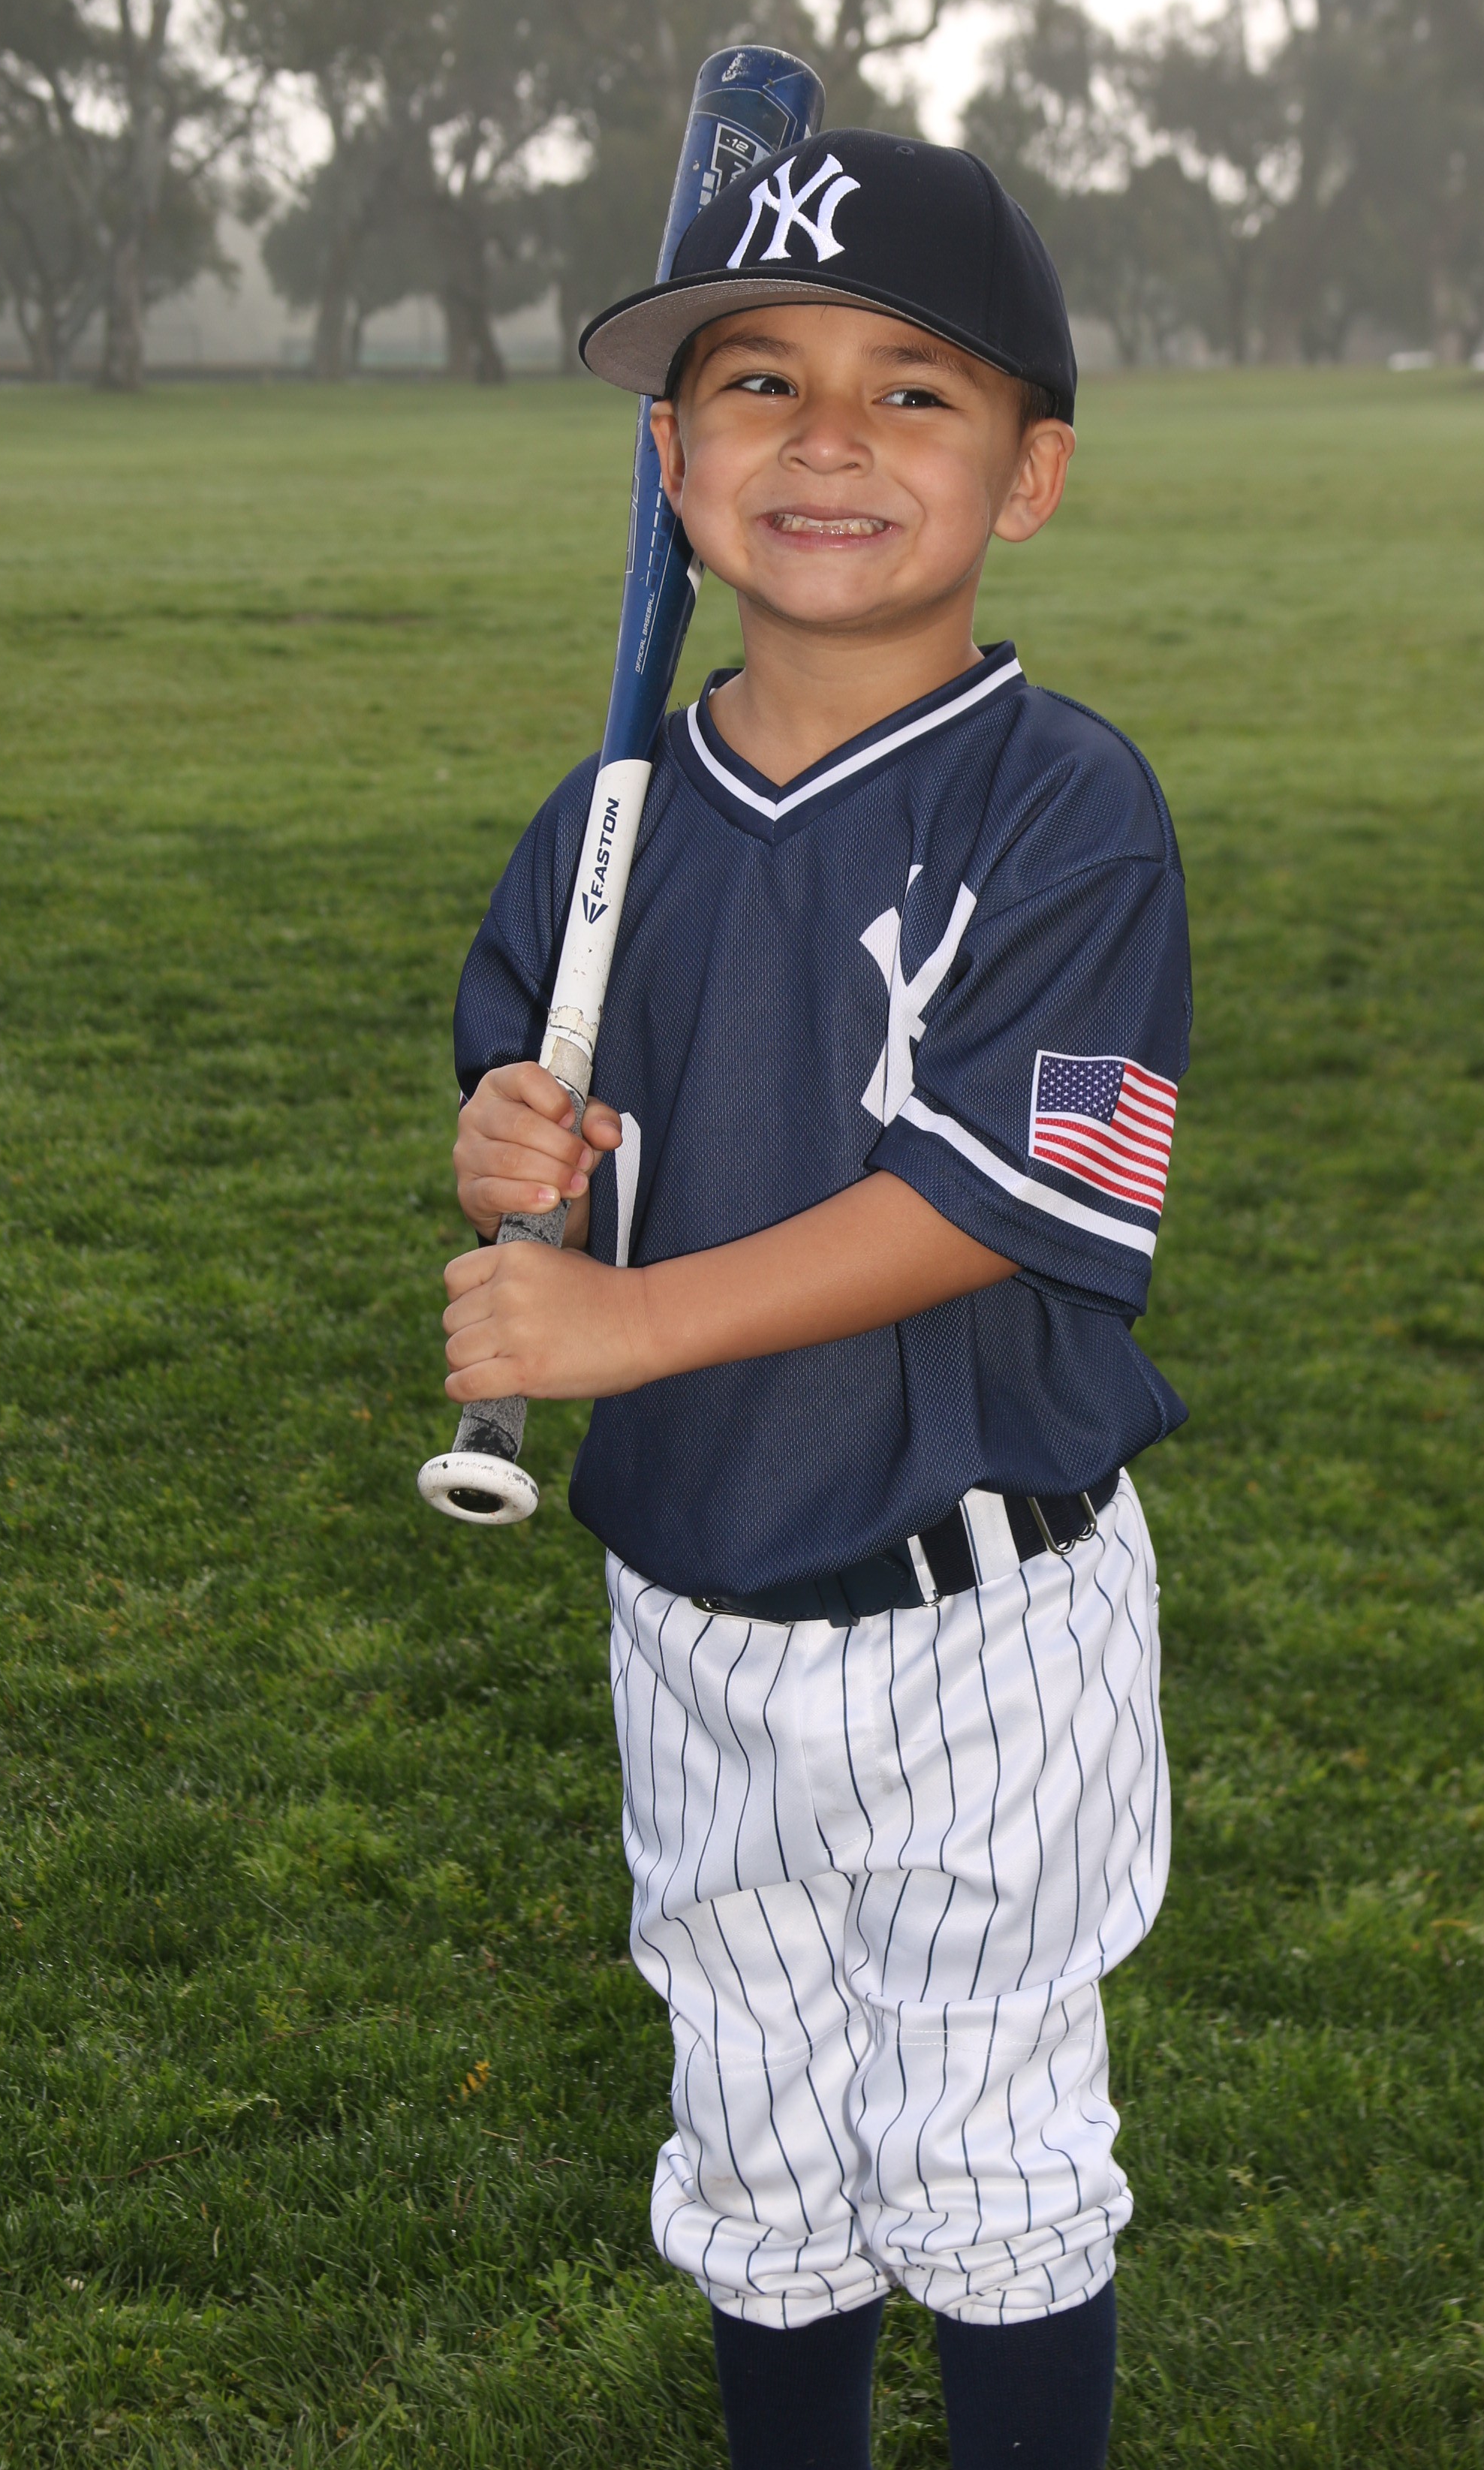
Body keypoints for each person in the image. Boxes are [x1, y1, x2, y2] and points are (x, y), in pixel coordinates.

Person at [440, 131, 1191, 2470]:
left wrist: (618, 1331)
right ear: (672, 464)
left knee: (982, 2145)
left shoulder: (1067, 809)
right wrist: (508, 1143)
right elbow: (537, 1078)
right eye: (759, 381)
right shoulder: (610, 820)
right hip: (691, 1597)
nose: (831, 438)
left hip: (983, 1608)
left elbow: (1002, 1201)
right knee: (757, 2135)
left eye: (915, 390)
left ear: (1029, 476)